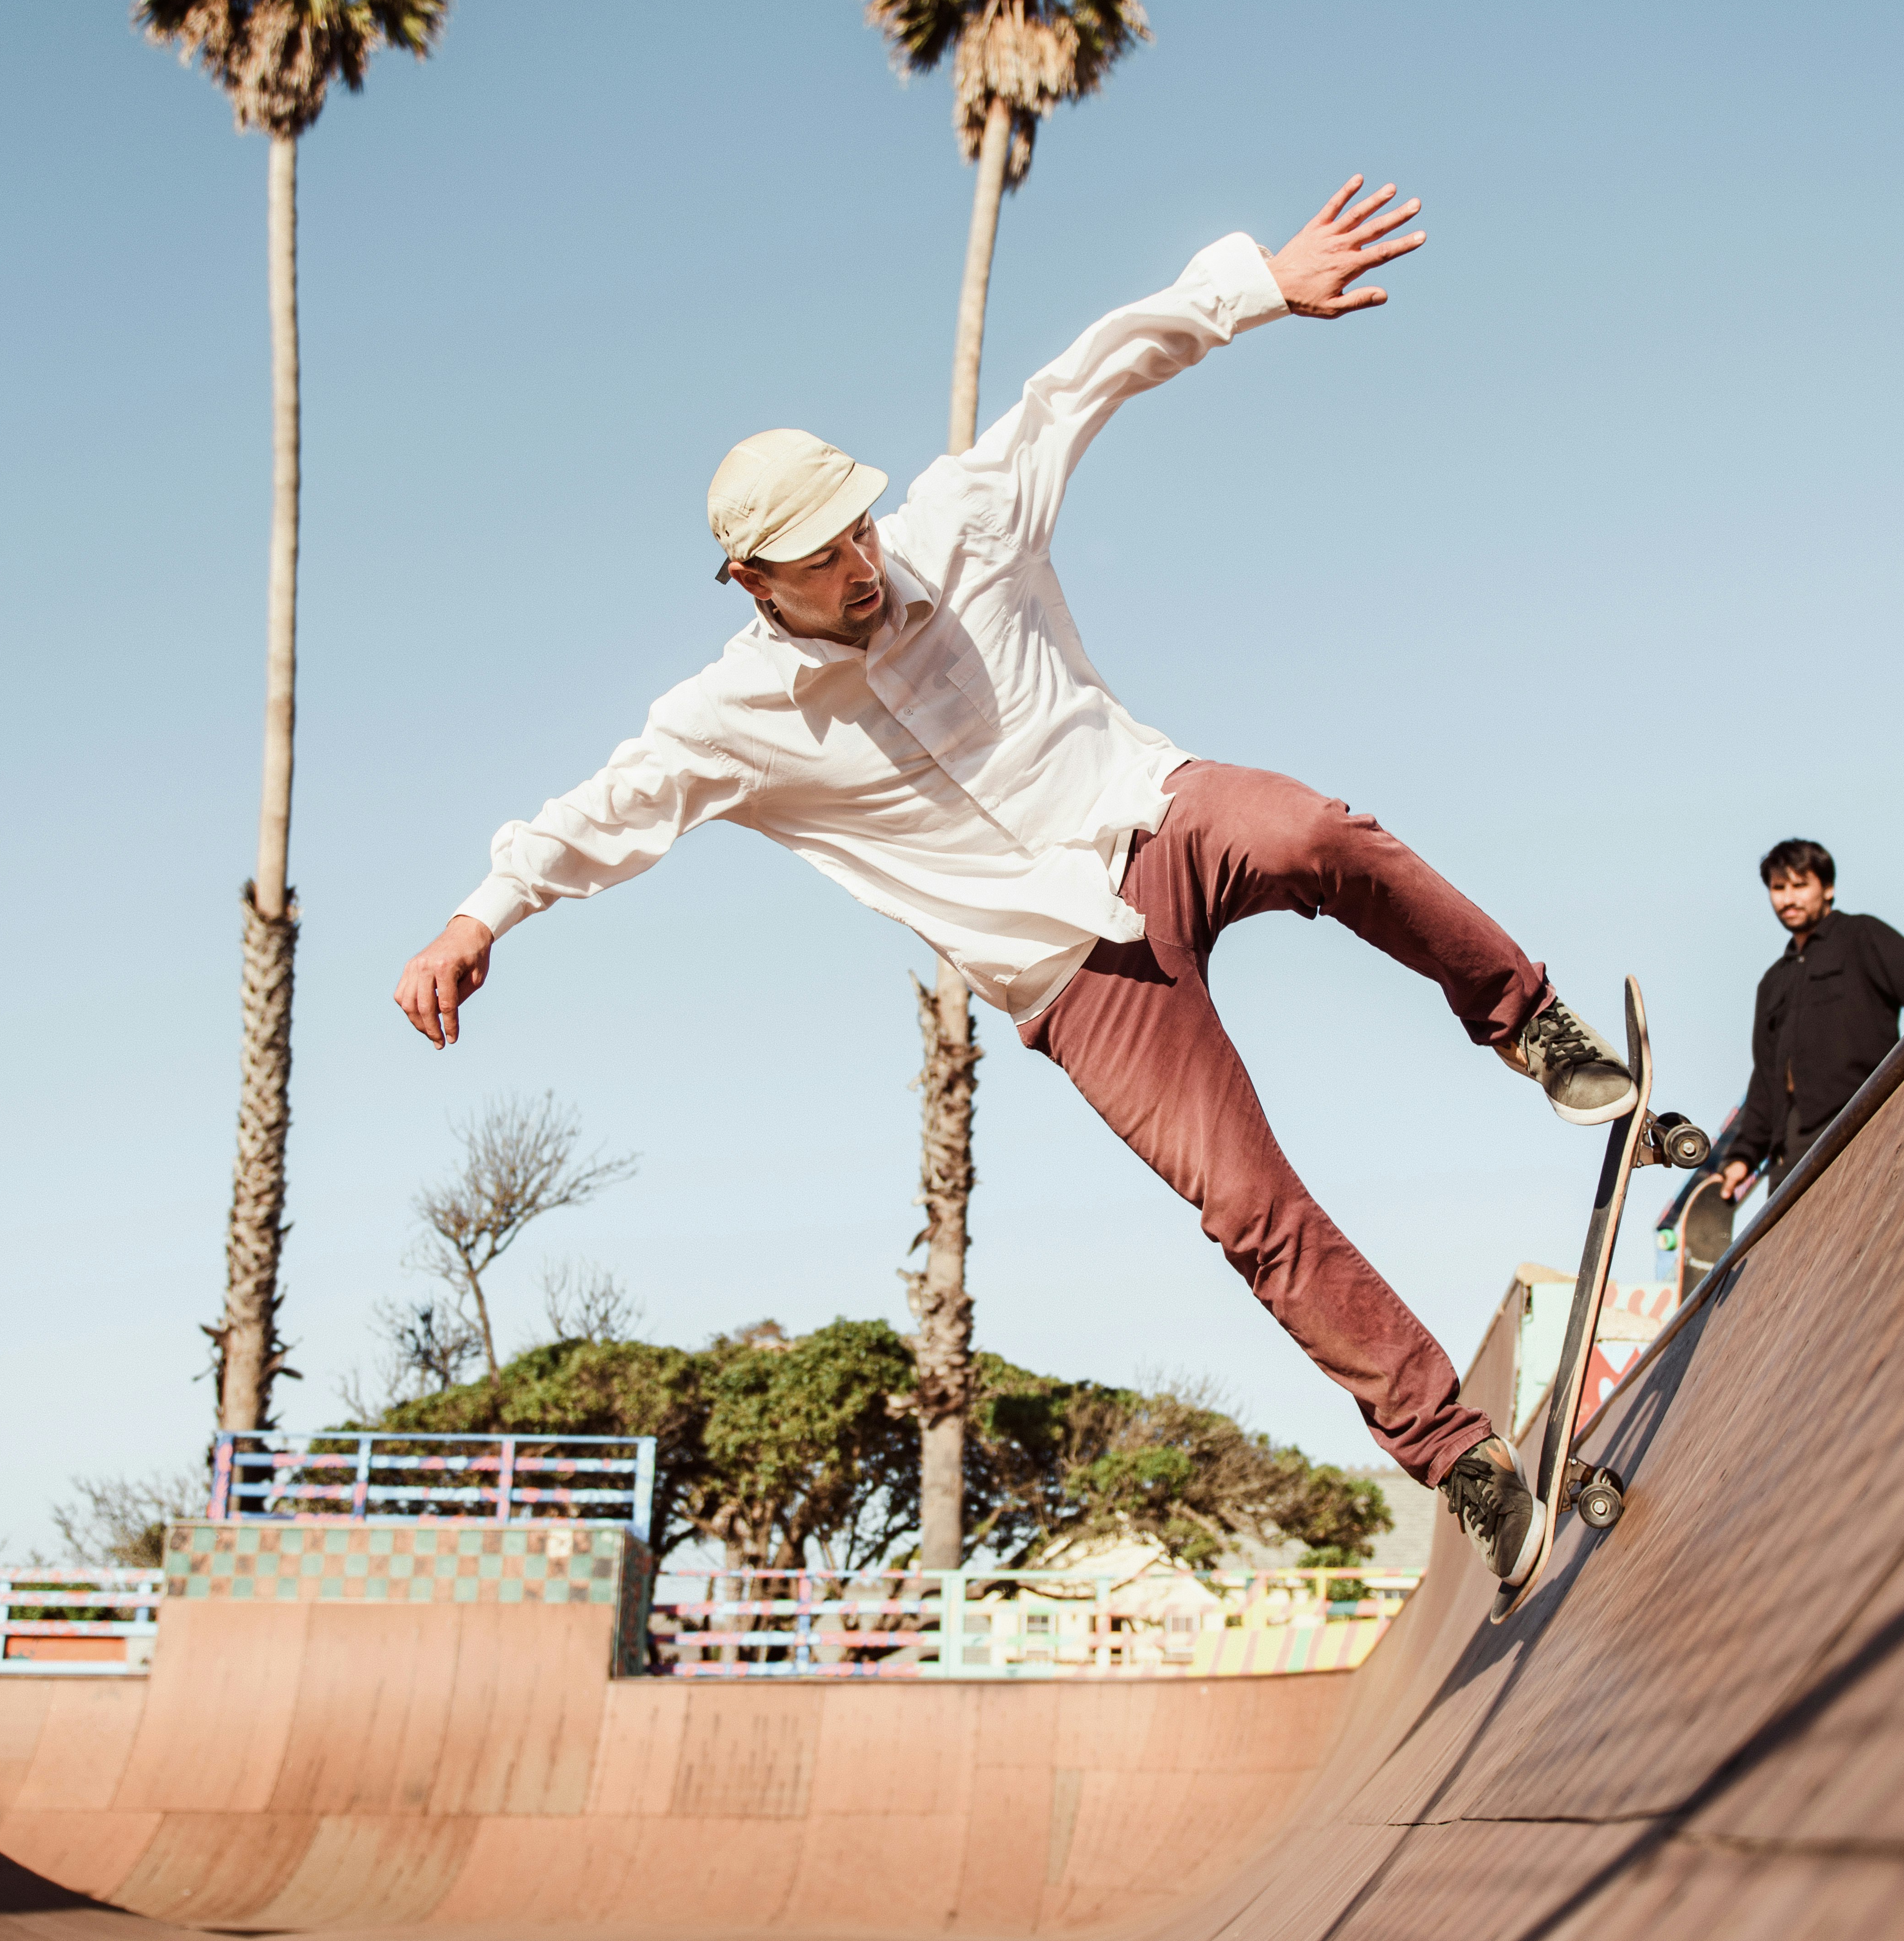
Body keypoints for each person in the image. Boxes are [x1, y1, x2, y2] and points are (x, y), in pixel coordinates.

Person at [395, 180, 1637, 1596]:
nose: (862, 565)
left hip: (1149, 814)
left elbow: (1082, 377)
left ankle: (1524, 1018)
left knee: (1312, 831)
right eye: (823, 561)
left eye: (858, 532)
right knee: (1246, 1208)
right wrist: (475, 916)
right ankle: (1459, 1459)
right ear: (749, 578)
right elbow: (600, 810)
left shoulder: (962, 521)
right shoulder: (726, 719)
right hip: (1067, 976)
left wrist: (1255, 285)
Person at [1716, 840, 1904, 1201]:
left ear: (1828, 888)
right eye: (1778, 889)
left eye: (1800, 885)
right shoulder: (1773, 982)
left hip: (1866, 1121)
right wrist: (1743, 1157)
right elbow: (1764, 1083)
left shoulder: (1861, 936)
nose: (1788, 899)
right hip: (1792, 1155)